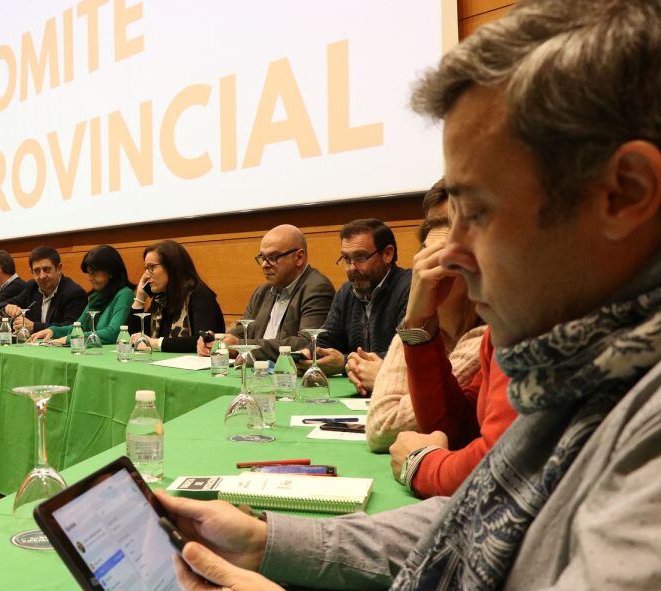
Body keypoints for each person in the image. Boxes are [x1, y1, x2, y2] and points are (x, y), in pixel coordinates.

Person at [159, 1, 661, 589]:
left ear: (625, 194)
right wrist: (267, 541)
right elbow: (473, 513)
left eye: (476, 212)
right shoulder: (580, 367)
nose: (451, 254)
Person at [367, 179, 488, 452]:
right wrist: (416, 320)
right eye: (437, 224)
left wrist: (417, 322)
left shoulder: (489, 331)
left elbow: (387, 425)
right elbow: (380, 428)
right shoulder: (429, 316)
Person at [196, 225, 334, 362]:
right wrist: (217, 340)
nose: (264, 264)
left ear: (299, 257)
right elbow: (244, 331)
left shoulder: (317, 288)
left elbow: (307, 344)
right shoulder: (263, 291)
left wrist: (241, 346)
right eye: (262, 257)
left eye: (273, 257)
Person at [314, 218, 412, 395]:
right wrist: (311, 353)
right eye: (346, 259)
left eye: (360, 257)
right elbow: (325, 340)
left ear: (387, 254)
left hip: (396, 393)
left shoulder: (410, 287)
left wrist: (344, 362)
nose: (351, 268)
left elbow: (407, 355)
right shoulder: (346, 291)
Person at [129, 240, 225, 352]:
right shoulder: (160, 299)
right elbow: (133, 336)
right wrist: (140, 298)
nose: (146, 275)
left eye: (152, 267)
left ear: (172, 267)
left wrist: (155, 343)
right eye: (146, 268)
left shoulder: (200, 295)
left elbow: (204, 340)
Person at [29, 245, 136, 345]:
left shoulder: (125, 294)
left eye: (94, 273)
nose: (90, 278)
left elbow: (113, 333)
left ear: (111, 271)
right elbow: (78, 327)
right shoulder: (96, 296)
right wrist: (52, 331)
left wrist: (68, 339)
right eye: (89, 273)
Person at [0, 246, 87, 334]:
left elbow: (73, 327)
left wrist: (34, 326)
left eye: (46, 270)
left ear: (59, 268)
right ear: (31, 272)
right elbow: (1, 306)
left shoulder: (74, 293)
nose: (42, 276)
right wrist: (8, 308)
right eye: (37, 271)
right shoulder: (32, 287)